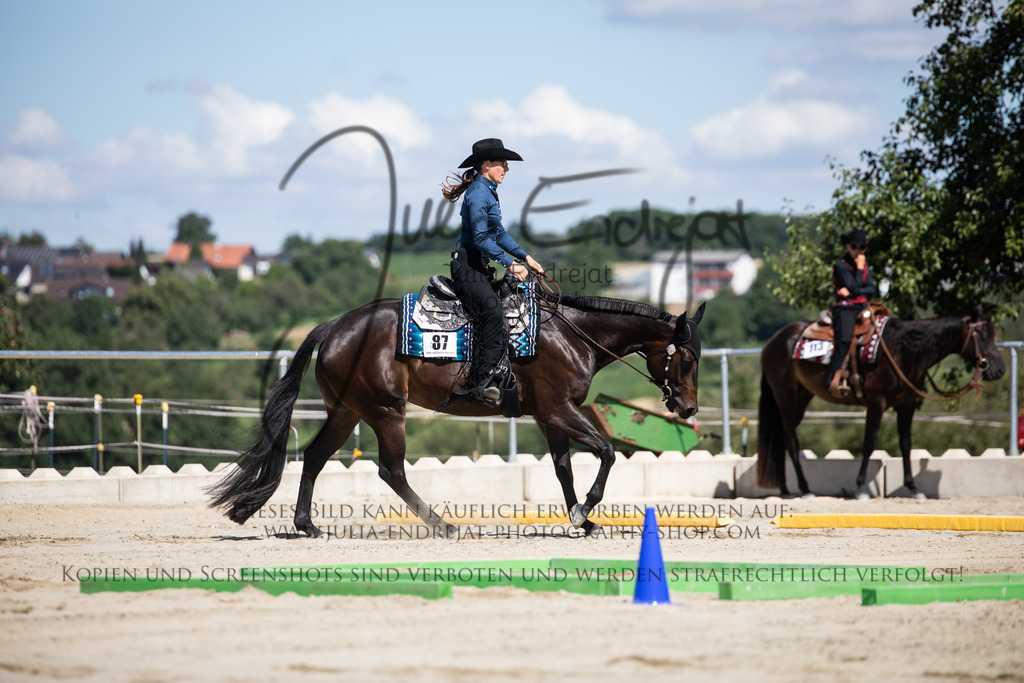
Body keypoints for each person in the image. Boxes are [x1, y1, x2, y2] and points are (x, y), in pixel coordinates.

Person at [440, 138, 545, 405]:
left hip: (478, 265)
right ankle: (481, 381)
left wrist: (526, 257)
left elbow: (498, 233)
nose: (506, 169)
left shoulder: (487, 190)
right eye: (503, 164)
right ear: (487, 165)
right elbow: (481, 238)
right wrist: (510, 264)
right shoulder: (478, 192)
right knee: (493, 312)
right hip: (468, 266)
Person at [827, 228, 877, 397]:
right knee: (845, 339)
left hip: (862, 306)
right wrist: (860, 269)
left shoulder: (863, 264)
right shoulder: (841, 265)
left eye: (862, 247)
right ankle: (831, 379)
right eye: (855, 247)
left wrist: (856, 291)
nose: (858, 251)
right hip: (845, 307)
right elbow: (856, 287)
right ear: (848, 246)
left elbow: (872, 288)